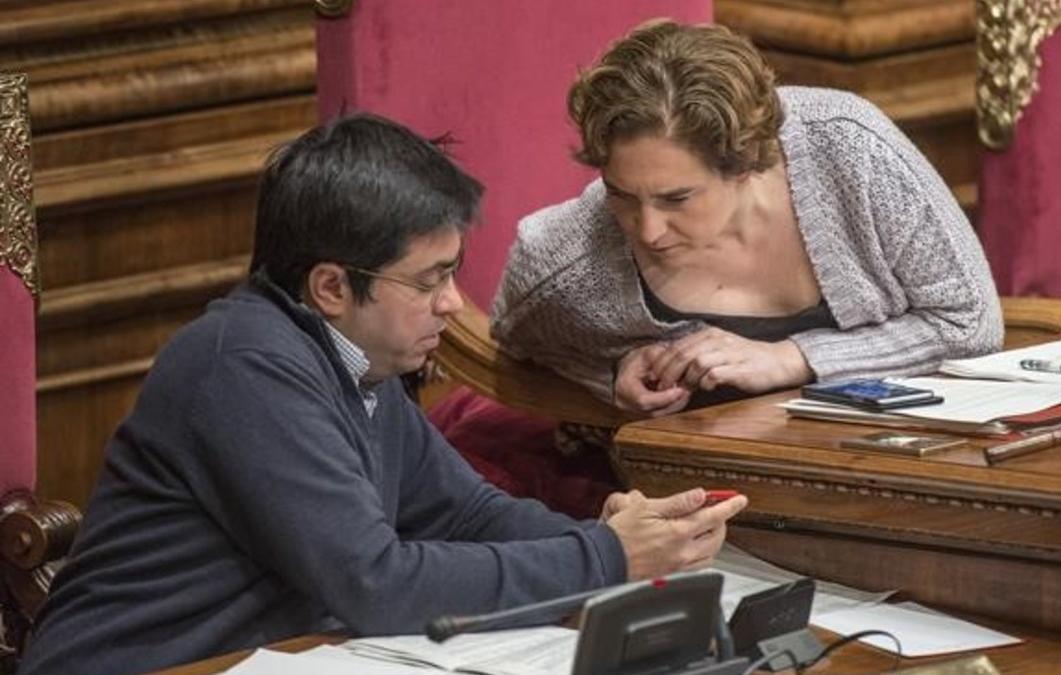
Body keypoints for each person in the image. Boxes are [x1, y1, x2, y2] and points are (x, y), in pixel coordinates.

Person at [18, 115, 747, 675]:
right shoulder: (243, 367)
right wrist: (605, 556)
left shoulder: (351, 357)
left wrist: (614, 531)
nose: (452, 304)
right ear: (332, 286)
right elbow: (377, 582)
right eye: (429, 280)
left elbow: (465, 510)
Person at [491, 20, 1003, 415]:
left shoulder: (849, 148)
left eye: (677, 198)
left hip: (893, 465)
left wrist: (790, 359)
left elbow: (969, 323)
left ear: (746, 163)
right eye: (621, 195)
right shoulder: (574, 255)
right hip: (706, 490)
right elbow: (515, 339)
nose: (647, 230)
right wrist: (610, 373)